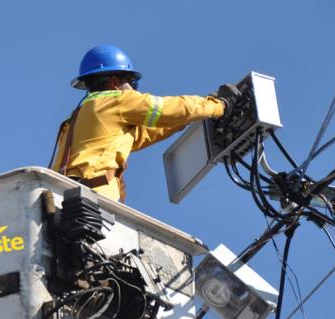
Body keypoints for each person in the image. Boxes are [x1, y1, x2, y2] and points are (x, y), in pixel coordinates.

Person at [50, 44, 240, 202]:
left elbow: (144, 134)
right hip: (92, 198)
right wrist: (218, 105)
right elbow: (168, 109)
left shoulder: (83, 115)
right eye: (131, 83)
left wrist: (187, 119)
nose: (133, 89)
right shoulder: (117, 100)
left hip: (63, 198)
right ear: (115, 82)